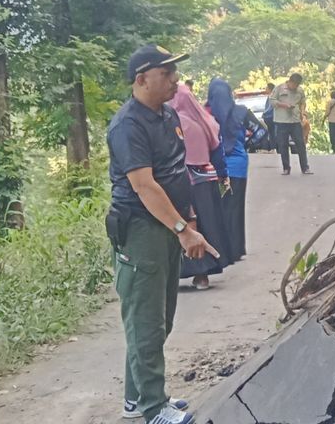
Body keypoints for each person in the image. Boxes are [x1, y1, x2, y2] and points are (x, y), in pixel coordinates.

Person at [106, 44, 217, 424]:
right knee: (146, 321)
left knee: (159, 319)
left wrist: (189, 220)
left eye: (174, 73)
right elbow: (145, 187)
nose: (175, 80)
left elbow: (174, 171)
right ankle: (154, 408)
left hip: (168, 226)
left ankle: (136, 398)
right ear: (141, 79)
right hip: (141, 230)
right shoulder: (127, 126)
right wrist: (182, 229)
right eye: (166, 74)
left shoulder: (166, 114)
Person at [171, 83, 232, 290]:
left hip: (178, 182)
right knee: (206, 225)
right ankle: (202, 275)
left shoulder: (170, 122)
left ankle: (175, 274)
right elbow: (217, 150)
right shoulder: (206, 122)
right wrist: (224, 175)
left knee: (179, 223)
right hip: (205, 180)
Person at [208, 78, 251, 260]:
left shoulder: (205, 113)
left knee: (218, 209)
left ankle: (222, 251)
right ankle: (237, 249)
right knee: (235, 206)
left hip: (213, 167)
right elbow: (262, 133)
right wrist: (244, 141)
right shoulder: (242, 112)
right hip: (238, 166)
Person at [272, 73, 310, 175]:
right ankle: (286, 168)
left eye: (297, 85)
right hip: (282, 121)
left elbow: (302, 102)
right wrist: (283, 105)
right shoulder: (279, 88)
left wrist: (302, 111)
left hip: (295, 121)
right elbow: (272, 101)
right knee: (283, 145)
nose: (295, 87)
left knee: (300, 144)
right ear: (290, 82)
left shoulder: (300, 90)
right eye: (294, 85)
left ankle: (305, 167)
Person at [260, 82, 276, 150]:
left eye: (267, 88)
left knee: (271, 133)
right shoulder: (271, 96)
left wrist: (264, 113)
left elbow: (270, 108)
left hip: (270, 117)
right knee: (271, 133)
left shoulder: (271, 96)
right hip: (271, 117)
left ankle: (273, 147)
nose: (266, 89)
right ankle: (273, 147)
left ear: (270, 89)